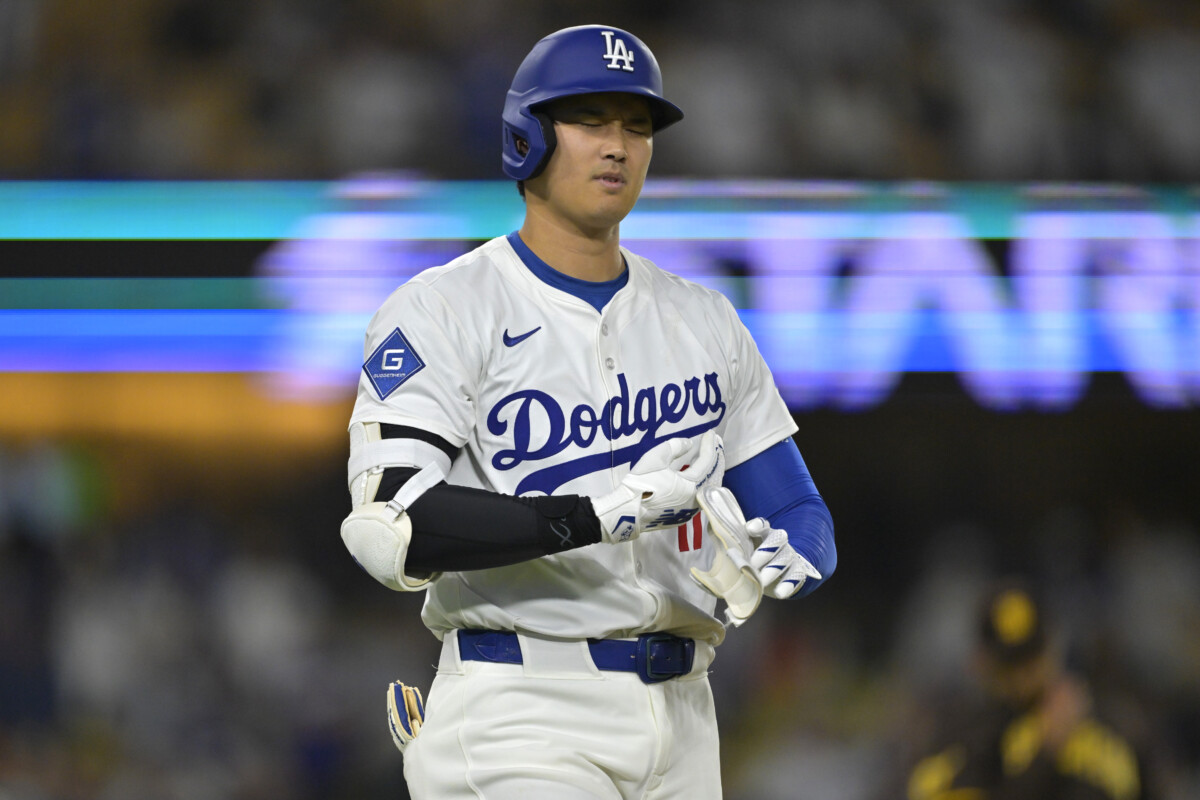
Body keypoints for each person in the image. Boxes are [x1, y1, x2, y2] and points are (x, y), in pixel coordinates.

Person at [339, 24, 836, 799]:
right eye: (590, 120)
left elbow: (800, 508)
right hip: (522, 706)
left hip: (685, 714)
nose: (618, 145)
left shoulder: (701, 318)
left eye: (636, 126)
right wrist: (592, 516)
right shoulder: (444, 308)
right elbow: (391, 526)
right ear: (525, 140)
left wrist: (795, 558)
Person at [906, 580, 1153, 800]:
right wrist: (1045, 756)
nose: (1026, 675)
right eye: (1012, 666)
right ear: (979, 661)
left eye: (1033, 659)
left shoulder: (1115, 719)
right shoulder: (959, 737)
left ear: (1055, 642)